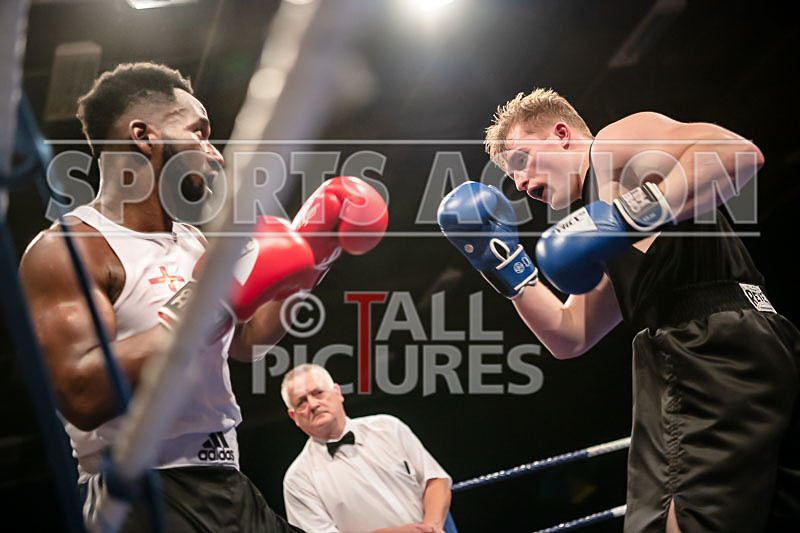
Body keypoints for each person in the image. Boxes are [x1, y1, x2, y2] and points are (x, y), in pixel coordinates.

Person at [18, 61, 385, 531]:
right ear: (144, 136)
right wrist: (209, 301)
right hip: (140, 493)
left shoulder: (194, 242)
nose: (215, 155)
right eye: (199, 132)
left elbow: (247, 341)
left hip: (227, 481)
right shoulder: (69, 249)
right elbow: (83, 394)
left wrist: (315, 255)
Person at [438, 88, 800, 532]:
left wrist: (627, 217)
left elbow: (736, 153)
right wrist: (503, 265)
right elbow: (571, 335)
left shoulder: (612, 146)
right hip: (756, 344)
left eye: (520, 160)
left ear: (562, 134)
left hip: (709, 351)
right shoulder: (602, 228)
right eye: (511, 175)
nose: (520, 183)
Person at [281, 363, 452, 533]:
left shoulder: (388, 428)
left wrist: (432, 527)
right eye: (301, 402)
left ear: (337, 392)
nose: (313, 404)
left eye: (318, 393)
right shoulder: (298, 479)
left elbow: (435, 479)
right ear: (293, 416)